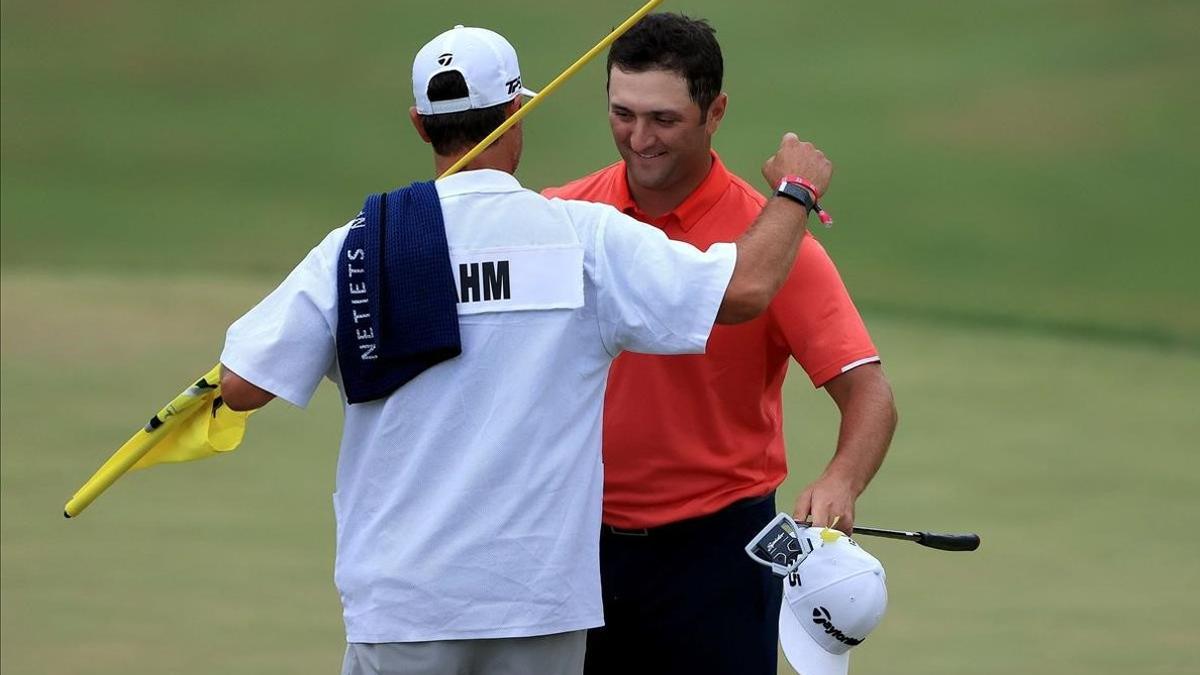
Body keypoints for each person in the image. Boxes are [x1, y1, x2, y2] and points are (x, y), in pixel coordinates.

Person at [216, 24, 834, 675]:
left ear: (420, 126)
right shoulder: (583, 236)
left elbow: (240, 386)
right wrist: (795, 190)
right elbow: (747, 286)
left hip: (403, 605)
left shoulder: (360, 245)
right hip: (539, 606)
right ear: (517, 113)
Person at [543, 13, 899, 675]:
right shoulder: (565, 214)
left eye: (664, 120)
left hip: (717, 558)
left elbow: (868, 390)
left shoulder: (775, 241)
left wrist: (842, 479)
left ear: (716, 112)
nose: (639, 139)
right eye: (622, 113)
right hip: (570, 549)